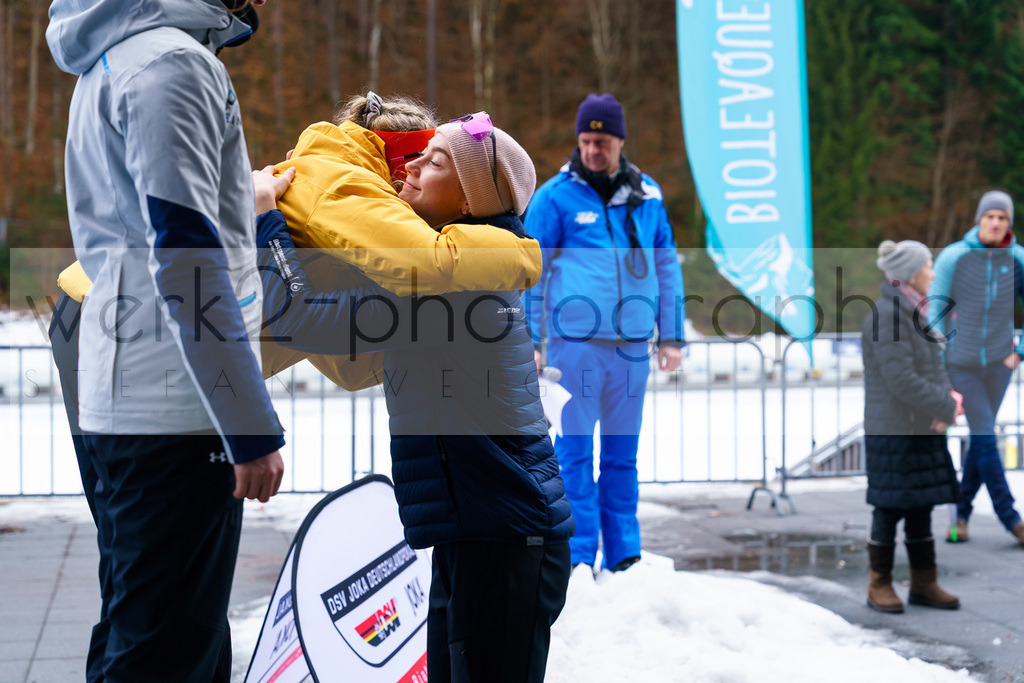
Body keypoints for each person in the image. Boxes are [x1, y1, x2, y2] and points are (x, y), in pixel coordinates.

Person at [255, 112, 574, 683]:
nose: (413, 166)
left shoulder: (447, 288)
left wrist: (266, 222)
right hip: (481, 534)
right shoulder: (449, 272)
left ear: (469, 201)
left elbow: (297, 317)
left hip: (506, 540)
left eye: (436, 161)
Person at [45, 1, 285, 680]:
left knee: (141, 630)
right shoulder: (174, 64)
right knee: (166, 652)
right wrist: (247, 423)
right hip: (176, 409)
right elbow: (186, 258)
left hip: (134, 393)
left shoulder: (115, 56)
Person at [523, 93, 686, 572]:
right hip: (575, 348)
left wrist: (672, 335)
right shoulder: (554, 197)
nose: (593, 150)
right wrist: (530, 341)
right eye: (586, 141)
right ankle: (576, 556)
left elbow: (666, 266)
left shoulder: (647, 194)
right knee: (574, 455)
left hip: (632, 349)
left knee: (621, 456)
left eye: (603, 142)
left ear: (620, 142)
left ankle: (624, 554)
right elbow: (529, 273)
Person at [862, 240, 963, 613]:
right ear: (910, 272)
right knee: (889, 507)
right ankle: (879, 584)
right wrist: (944, 405)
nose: (933, 273)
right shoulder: (888, 315)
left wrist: (946, 401)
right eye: (928, 265)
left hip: (918, 426)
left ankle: (924, 583)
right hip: (894, 429)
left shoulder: (913, 310)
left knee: (920, 505)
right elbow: (900, 379)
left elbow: (932, 366)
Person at [929, 190, 1024, 548]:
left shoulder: (1017, 259)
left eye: (1002, 217)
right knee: (985, 434)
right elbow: (934, 311)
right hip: (961, 364)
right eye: (990, 216)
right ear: (979, 220)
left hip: (1000, 365)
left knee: (981, 439)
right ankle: (1012, 518)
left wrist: (1019, 353)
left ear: (1009, 223)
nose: (996, 223)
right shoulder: (955, 256)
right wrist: (940, 363)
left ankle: (961, 517)